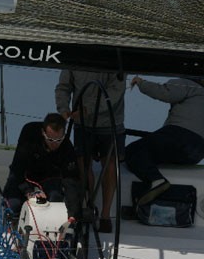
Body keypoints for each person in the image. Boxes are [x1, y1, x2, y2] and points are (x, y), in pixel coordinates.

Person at [55, 70, 126, 233]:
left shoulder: (117, 58)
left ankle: (105, 215)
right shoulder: (74, 55)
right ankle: (87, 206)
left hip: (111, 124)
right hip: (82, 124)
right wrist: (63, 108)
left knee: (109, 166)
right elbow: (63, 87)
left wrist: (87, 109)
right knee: (82, 164)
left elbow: (116, 91)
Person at [125, 76, 204, 205]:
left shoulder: (188, 85)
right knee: (153, 152)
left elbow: (166, 93)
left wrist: (141, 83)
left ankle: (156, 180)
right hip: (197, 151)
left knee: (133, 150)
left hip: (180, 136)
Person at [2, 113, 82, 222]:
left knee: (55, 198)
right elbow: (18, 168)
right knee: (13, 205)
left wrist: (73, 213)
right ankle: (13, 226)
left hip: (49, 177)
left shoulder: (67, 147)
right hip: (24, 175)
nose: (54, 144)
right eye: (50, 139)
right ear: (43, 132)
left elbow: (71, 181)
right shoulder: (29, 134)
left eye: (59, 140)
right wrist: (29, 192)